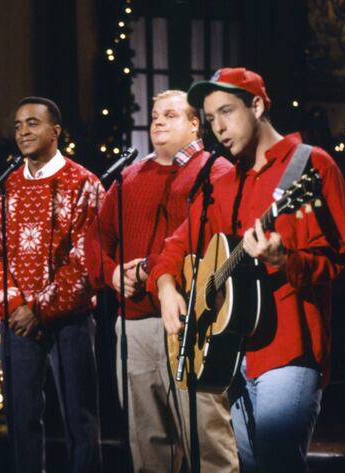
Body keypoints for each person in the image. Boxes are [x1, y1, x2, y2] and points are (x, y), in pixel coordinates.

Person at [148, 68, 345, 473]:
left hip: (291, 349)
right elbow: (178, 245)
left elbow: (337, 261)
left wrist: (284, 259)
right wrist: (167, 286)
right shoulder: (224, 183)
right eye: (210, 120)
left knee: (279, 463)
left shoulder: (310, 166)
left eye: (227, 112)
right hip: (233, 352)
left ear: (257, 105)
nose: (219, 128)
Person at [85, 89, 239, 472]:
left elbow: (215, 239)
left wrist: (148, 268)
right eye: (155, 116)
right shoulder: (128, 177)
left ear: (193, 124)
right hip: (135, 325)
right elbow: (96, 239)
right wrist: (113, 273)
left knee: (207, 440)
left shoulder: (215, 172)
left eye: (170, 115)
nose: (158, 122)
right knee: (148, 443)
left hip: (191, 320)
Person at [0, 97, 104, 473]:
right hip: (17, 321)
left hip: (70, 320)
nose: (23, 132)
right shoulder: (4, 189)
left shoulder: (84, 183)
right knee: (21, 419)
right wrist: (17, 306)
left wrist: (40, 308)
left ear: (56, 131)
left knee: (80, 419)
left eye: (32, 124)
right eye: (18, 126)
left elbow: (86, 258)